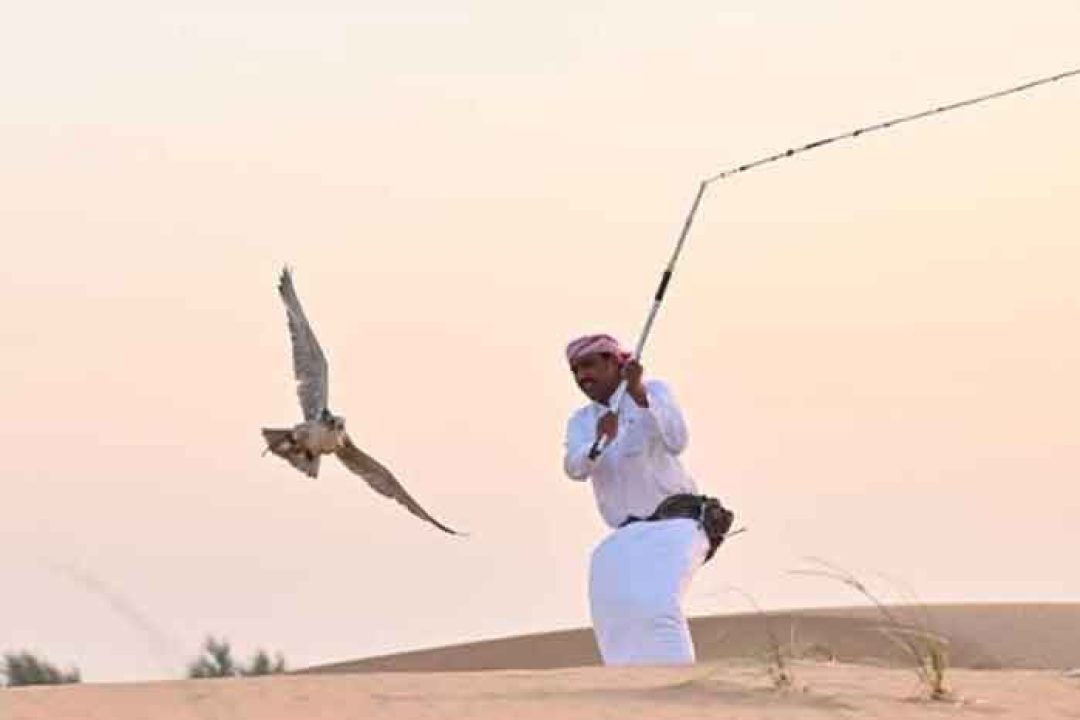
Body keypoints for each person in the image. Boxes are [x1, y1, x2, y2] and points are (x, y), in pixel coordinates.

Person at [562, 333, 733, 665]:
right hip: (626, 533)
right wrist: (599, 442)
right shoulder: (582, 421)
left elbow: (678, 440)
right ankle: (631, 690)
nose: (583, 377)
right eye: (575, 370)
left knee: (656, 603)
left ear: (614, 363)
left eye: (589, 366)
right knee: (613, 608)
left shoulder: (654, 392)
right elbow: (574, 467)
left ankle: (679, 686)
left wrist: (640, 395)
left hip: (678, 522)